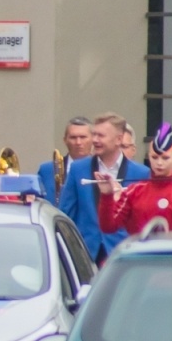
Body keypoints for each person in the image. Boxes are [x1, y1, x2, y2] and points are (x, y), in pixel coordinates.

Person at [57, 112, 151, 263]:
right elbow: (65, 213)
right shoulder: (78, 169)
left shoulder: (141, 173)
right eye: (94, 135)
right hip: (85, 254)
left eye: (101, 136)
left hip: (123, 254)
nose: (95, 140)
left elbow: (143, 220)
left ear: (119, 139)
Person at [99, 123, 172, 235]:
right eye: (154, 157)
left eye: (165, 158)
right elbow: (108, 227)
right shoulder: (133, 192)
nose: (159, 163)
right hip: (141, 252)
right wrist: (106, 195)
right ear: (148, 156)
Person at [37, 117, 92, 207]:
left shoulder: (100, 168)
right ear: (65, 140)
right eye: (73, 137)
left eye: (83, 137)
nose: (78, 142)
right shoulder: (47, 170)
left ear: (93, 139)